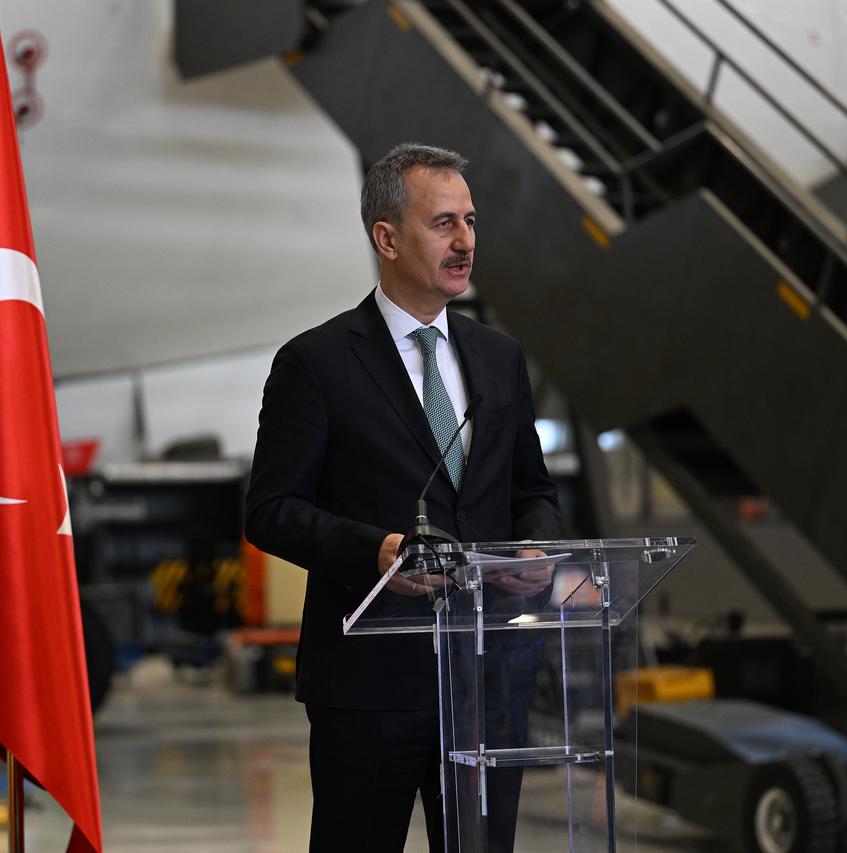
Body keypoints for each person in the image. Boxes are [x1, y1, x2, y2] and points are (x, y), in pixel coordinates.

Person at [245, 142, 562, 852]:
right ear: (386, 238)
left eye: (471, 221)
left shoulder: (498, 358)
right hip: (369, 689)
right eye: (443, 223)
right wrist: (377, 551)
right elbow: (270, 511)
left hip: (486, 684)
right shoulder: (316, 363)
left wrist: (536, 539)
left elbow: (532, 488)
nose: (466, 241)